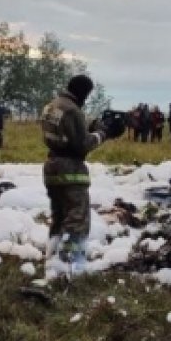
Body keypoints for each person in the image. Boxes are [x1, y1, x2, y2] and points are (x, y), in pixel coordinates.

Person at [41, 74, 119, 275]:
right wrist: (102, 134)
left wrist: (88, 128)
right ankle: (69, 264)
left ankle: (51, 257)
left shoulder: (52, 106)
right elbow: (81, 145)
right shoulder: (73, 111)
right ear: (83, 92)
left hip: (52, 166)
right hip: (70, 169)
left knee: (59, 216)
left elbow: (64, 133)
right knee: (77, 217)